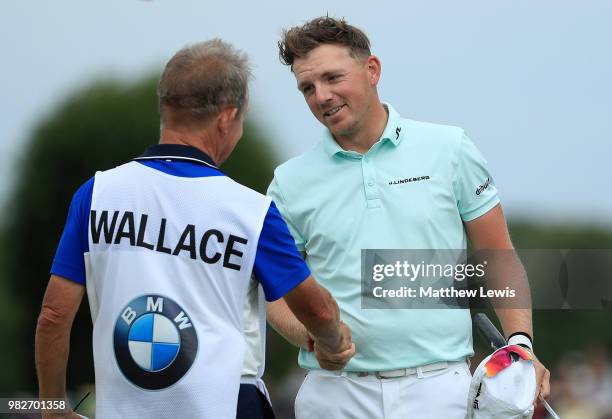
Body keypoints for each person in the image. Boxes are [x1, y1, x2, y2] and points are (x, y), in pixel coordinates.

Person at [35, 39, 353, 419]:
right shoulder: (250, 210)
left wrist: (52, 408)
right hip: (230, 403)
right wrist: (334, 344)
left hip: (127, 405)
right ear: (226, 117)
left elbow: (53, 316)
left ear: (165, 106)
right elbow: (314, 310)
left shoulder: (96, 193)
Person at [266, 17, 551, 418]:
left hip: (440, 389)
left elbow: (497, 252)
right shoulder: (289, 181)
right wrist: (312, 336)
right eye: (307, 88)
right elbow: (275, 291)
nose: (322, 96)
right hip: (334, 393)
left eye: (333, 77)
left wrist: (520, 343)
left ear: (372, 70)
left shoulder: (449, 148)